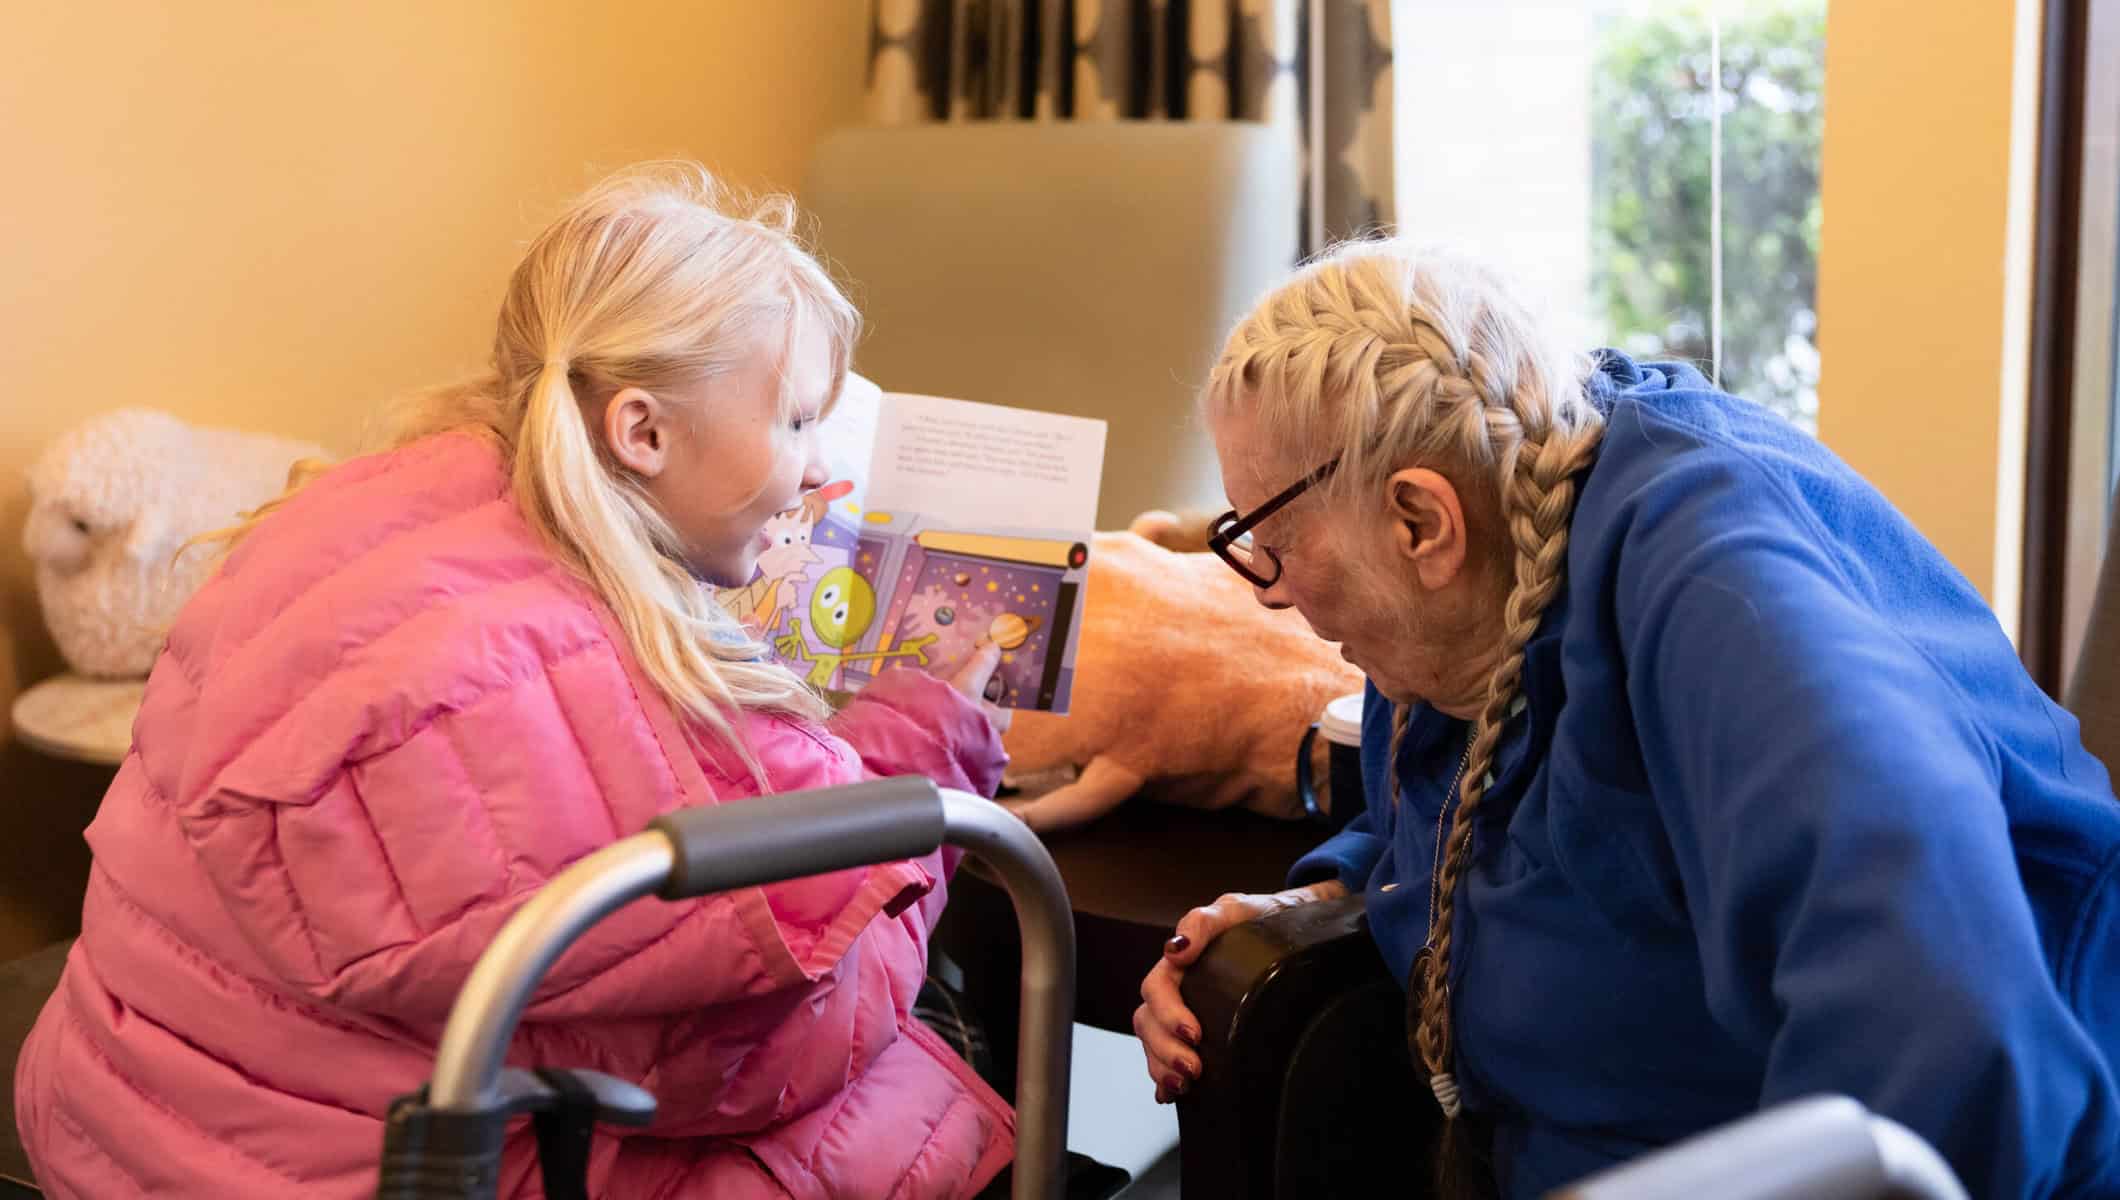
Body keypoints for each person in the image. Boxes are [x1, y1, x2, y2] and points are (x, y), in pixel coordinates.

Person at [15, 163, 1017, 1199]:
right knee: (922, 1080)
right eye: (797, 423)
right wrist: (930, 738)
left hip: (120, 1128)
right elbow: (792, 1039)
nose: (813, 470)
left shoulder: (348, 516)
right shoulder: (597, 678)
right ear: (642, 432)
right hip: (386, 1174)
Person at [1134, 241, 2120, 1198]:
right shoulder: (1468, 590)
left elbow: (1947, 1034)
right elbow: (1491, 805)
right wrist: (1329, 890)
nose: (1270, 593)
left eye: (1271, 543)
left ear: (1419, 521)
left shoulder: (1724, 599)